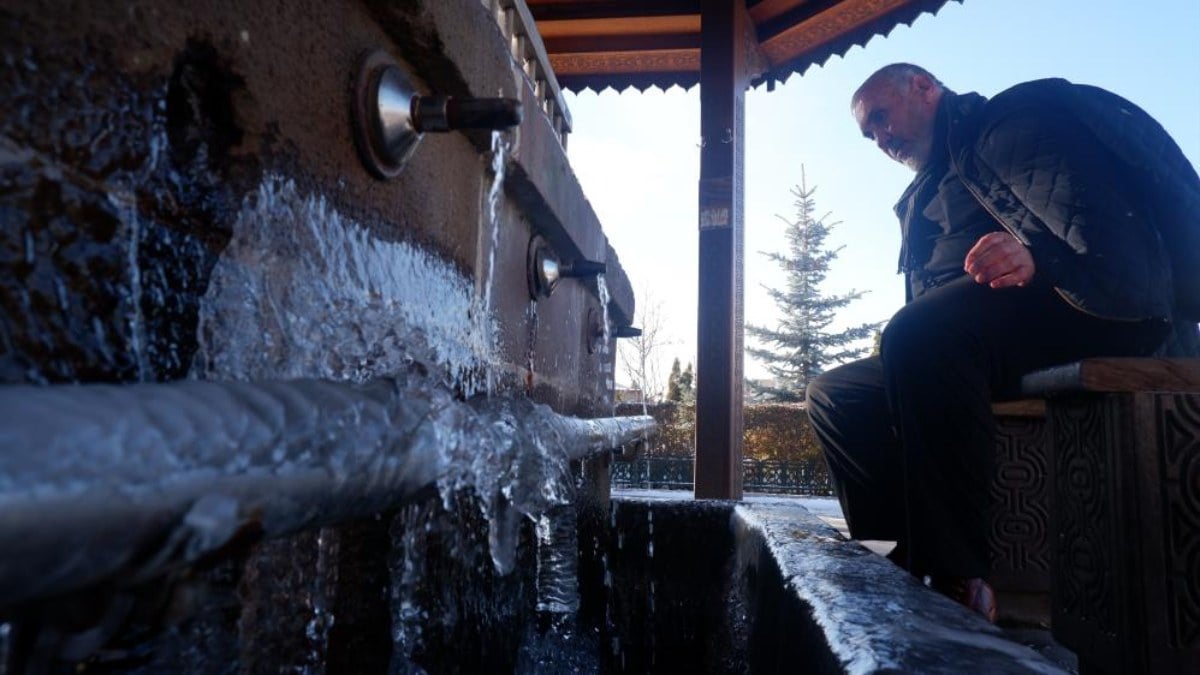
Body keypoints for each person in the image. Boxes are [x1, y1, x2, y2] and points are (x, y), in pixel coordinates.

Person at [805, 63, 1200, 623]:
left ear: (924, 87)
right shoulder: (927, 187)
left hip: (1089, 305)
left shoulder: (1011, 122)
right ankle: (891, 557)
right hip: (969, 341)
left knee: (916, 333)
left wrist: (1041, 259)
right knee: (834, 392)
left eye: (882, 118)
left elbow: (1103, 223)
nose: (880, 138)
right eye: (869, 134)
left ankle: (958, 579)